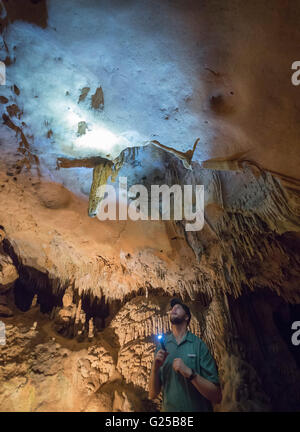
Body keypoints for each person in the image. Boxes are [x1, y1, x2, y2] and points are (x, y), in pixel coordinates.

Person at [148, 298, 222, 412]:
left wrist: (190, 374)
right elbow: (153, 394)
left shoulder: (198, 345)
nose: (173, 309)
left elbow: (217, 396)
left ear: (186, 317)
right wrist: (155, 368)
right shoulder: (162, 347)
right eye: (172, 308)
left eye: (178, 307)